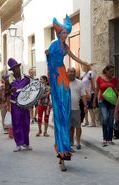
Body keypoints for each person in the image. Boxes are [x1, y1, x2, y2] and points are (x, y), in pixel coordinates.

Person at [45, 15, 91, 171]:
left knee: (64, 116)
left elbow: (73, 57)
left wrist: (84, 63)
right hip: (56, 77)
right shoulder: (53, 45)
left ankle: (64, 146)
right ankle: (62, 150)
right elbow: (49, 61)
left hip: (63, 76)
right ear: (59, 33)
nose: (65, 35)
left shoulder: (65, 47)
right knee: (60, 117)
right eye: (64, 33)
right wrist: (47, 55)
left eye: (67, 33)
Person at [7, 58, 32, 152]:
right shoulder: (8, 80)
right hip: (15, 105)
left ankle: (26, 143)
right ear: (12, 70)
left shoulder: (26, 79)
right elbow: (5, 92)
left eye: (18, 67)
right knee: (16, 123)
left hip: (25, 105)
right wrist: (10, 90)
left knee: (26, 123)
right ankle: (18, 144)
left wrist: (31, 102)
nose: (17, 69)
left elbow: (31, 91)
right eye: (15, 68)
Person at [93, 64, 119, 146]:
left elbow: (118, 91)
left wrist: (115, 92)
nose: (112, 73)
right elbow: (97, 90)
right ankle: (105, 138)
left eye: (113, 72)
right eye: (110, 72)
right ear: (106, 71)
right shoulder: (100, 78)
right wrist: (94, 101)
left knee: (111, 119)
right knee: (105, 117)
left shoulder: (115, 80)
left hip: (112, 101)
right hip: (102, 100)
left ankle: (110, 139)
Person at [67, 68, 87, 150]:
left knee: (78, 126)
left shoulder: (80, 83)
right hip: (66, 109)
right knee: (69, 127)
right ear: (67, 72)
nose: (72, 73)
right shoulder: (64, 82)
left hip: (76, 108)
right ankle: (70, 141)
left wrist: (85, 106)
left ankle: (78, 142)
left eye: (74, 71)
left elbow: (83, 95)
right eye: (71, 71)